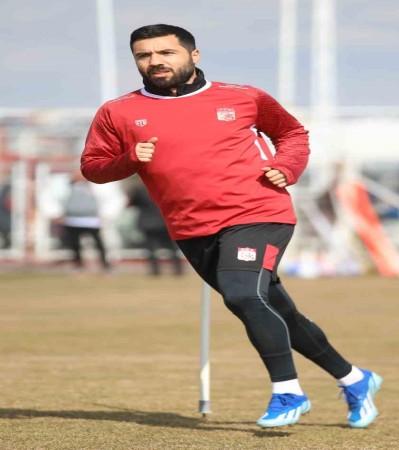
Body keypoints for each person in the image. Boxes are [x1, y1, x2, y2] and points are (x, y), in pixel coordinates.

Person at [80, 24, 381, 429]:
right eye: (144, 55)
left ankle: (288, 391)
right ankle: (355, 379)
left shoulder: (243, 97)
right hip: (190, 227)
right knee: (273, 309)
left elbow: (292, 133)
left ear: (193, 55)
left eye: (166, 52)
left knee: (242, 295)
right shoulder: (117, 111)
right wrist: (130, 158)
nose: (155, 61)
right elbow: (93, 167)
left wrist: (287, 166)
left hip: (258, 212)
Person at [127, 183, 183, 277]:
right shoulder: (164, 186)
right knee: (172, 248)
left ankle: (155, 271)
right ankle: (178, 269)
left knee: (151, 249)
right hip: (164, 221)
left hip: (148, 223)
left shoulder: (139, 189)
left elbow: (131, 204)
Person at [60, 171, 111, 273]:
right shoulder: (67, 187)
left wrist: (104, 214)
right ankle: (78, 265)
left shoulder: (94, 186)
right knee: (75, 244)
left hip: (92, 220)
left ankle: (105, 265)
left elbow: (104, 199)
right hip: (73, 220)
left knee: (98, 243)